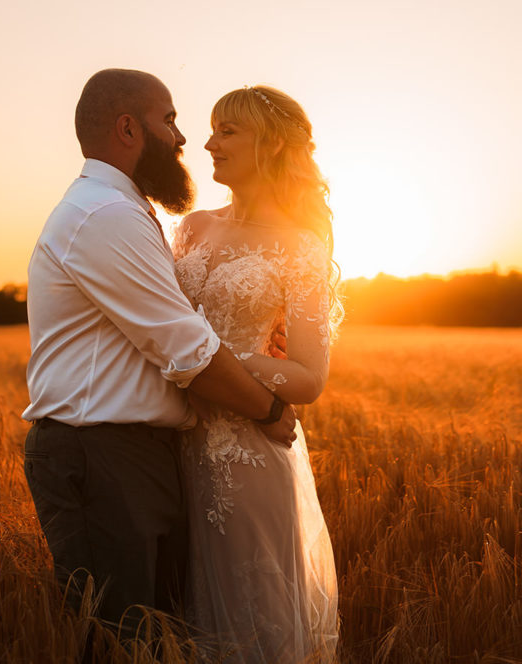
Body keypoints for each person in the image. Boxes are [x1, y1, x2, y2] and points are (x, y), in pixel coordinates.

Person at [21, 69, 298, 640]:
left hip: (137, 456)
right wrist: (269, 411)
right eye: (169, 120)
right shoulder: (106, 216)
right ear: (128, 128)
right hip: (102, 455)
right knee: (121, 640)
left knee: (159, 639)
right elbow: (186, 348)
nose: (182, 138)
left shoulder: (121, 209)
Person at [172, 85, 341, 662]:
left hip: (243, 456)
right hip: (168, 446)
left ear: (269, 144)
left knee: (250, 625)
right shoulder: (192, 228)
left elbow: (308, 377)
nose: (208, 142)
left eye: (227, 131)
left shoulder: (301, 248)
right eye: (212, 129)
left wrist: (215, 361)